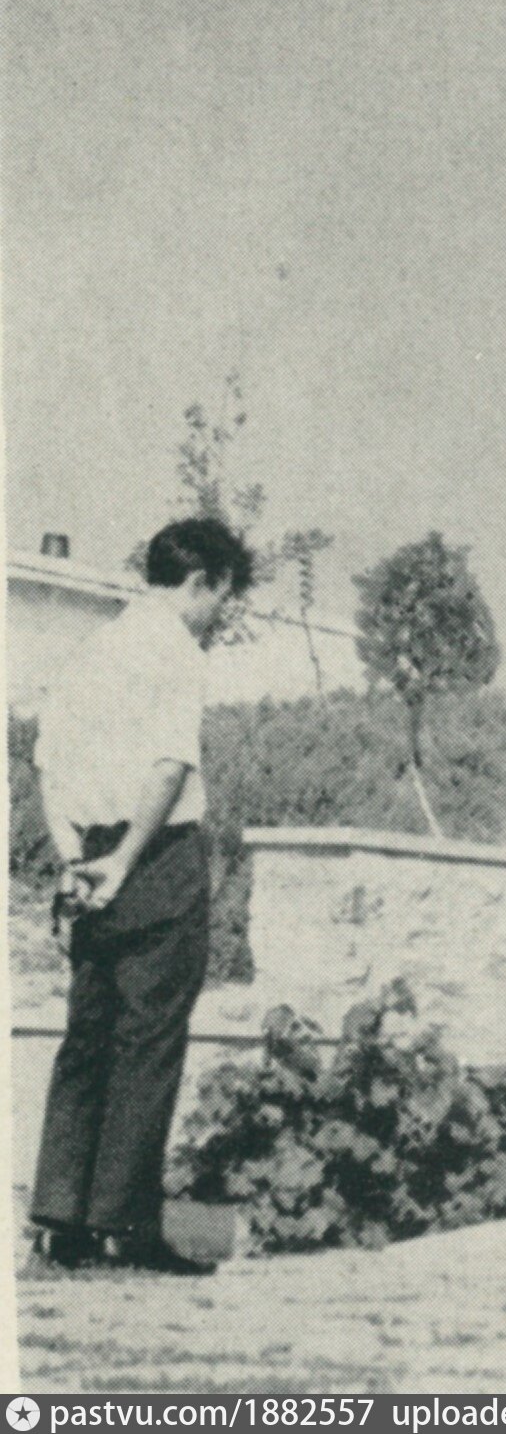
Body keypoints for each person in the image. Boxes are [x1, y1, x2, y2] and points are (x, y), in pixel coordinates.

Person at [28, 517, 255, 1274]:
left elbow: (48, 763)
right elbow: (168, 766)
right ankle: (127, 1227)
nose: (216, 613)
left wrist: (74, 859)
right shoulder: (176, 651)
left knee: (88, 1036)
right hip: (152, 856)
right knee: (148, 1041)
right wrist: (127, 859)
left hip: (86, 851)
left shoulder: (95, 646)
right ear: (201, 581)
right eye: (220, 597)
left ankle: (61, 1221)